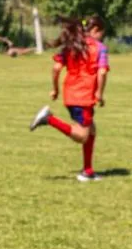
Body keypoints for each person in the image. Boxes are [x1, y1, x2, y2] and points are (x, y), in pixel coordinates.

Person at [29, 16, 109, 182]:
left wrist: (55, 89)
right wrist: (100, 94)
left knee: (91, 129)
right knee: (82, 136)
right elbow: (102, 72)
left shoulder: (71, 46)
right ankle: (49, 119)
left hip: (70, 94)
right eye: (101, 33)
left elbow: (56, 68)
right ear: (95, 31)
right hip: (84, 96)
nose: (101, 37)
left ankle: (88, 171)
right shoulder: (99, 48)